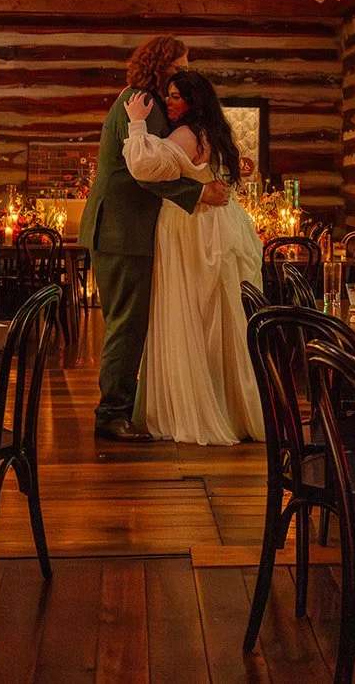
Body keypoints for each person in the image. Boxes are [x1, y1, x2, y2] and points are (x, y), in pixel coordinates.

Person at [82, 35, 229, 442]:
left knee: (129, 322)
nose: (185, 69)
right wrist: (198, 192)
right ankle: (111, 414)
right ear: (162, 65)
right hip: (120, 228)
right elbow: (144, 171)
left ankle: (122, 407)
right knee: (126, 324)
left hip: (125, 228)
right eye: (180, 63)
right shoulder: (143, 104)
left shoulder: (148, 102)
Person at [122, 70, 266, 445]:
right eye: (168, 96)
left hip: (190, 227)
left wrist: (137, 125)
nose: (168, 103)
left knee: (188, 312)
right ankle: (228, 404)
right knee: (220, 314)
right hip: (221, 223)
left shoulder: (185, 135)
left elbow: (143, 166)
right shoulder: (216, 133)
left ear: (193, 101)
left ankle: (195, 406)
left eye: (175, 97)